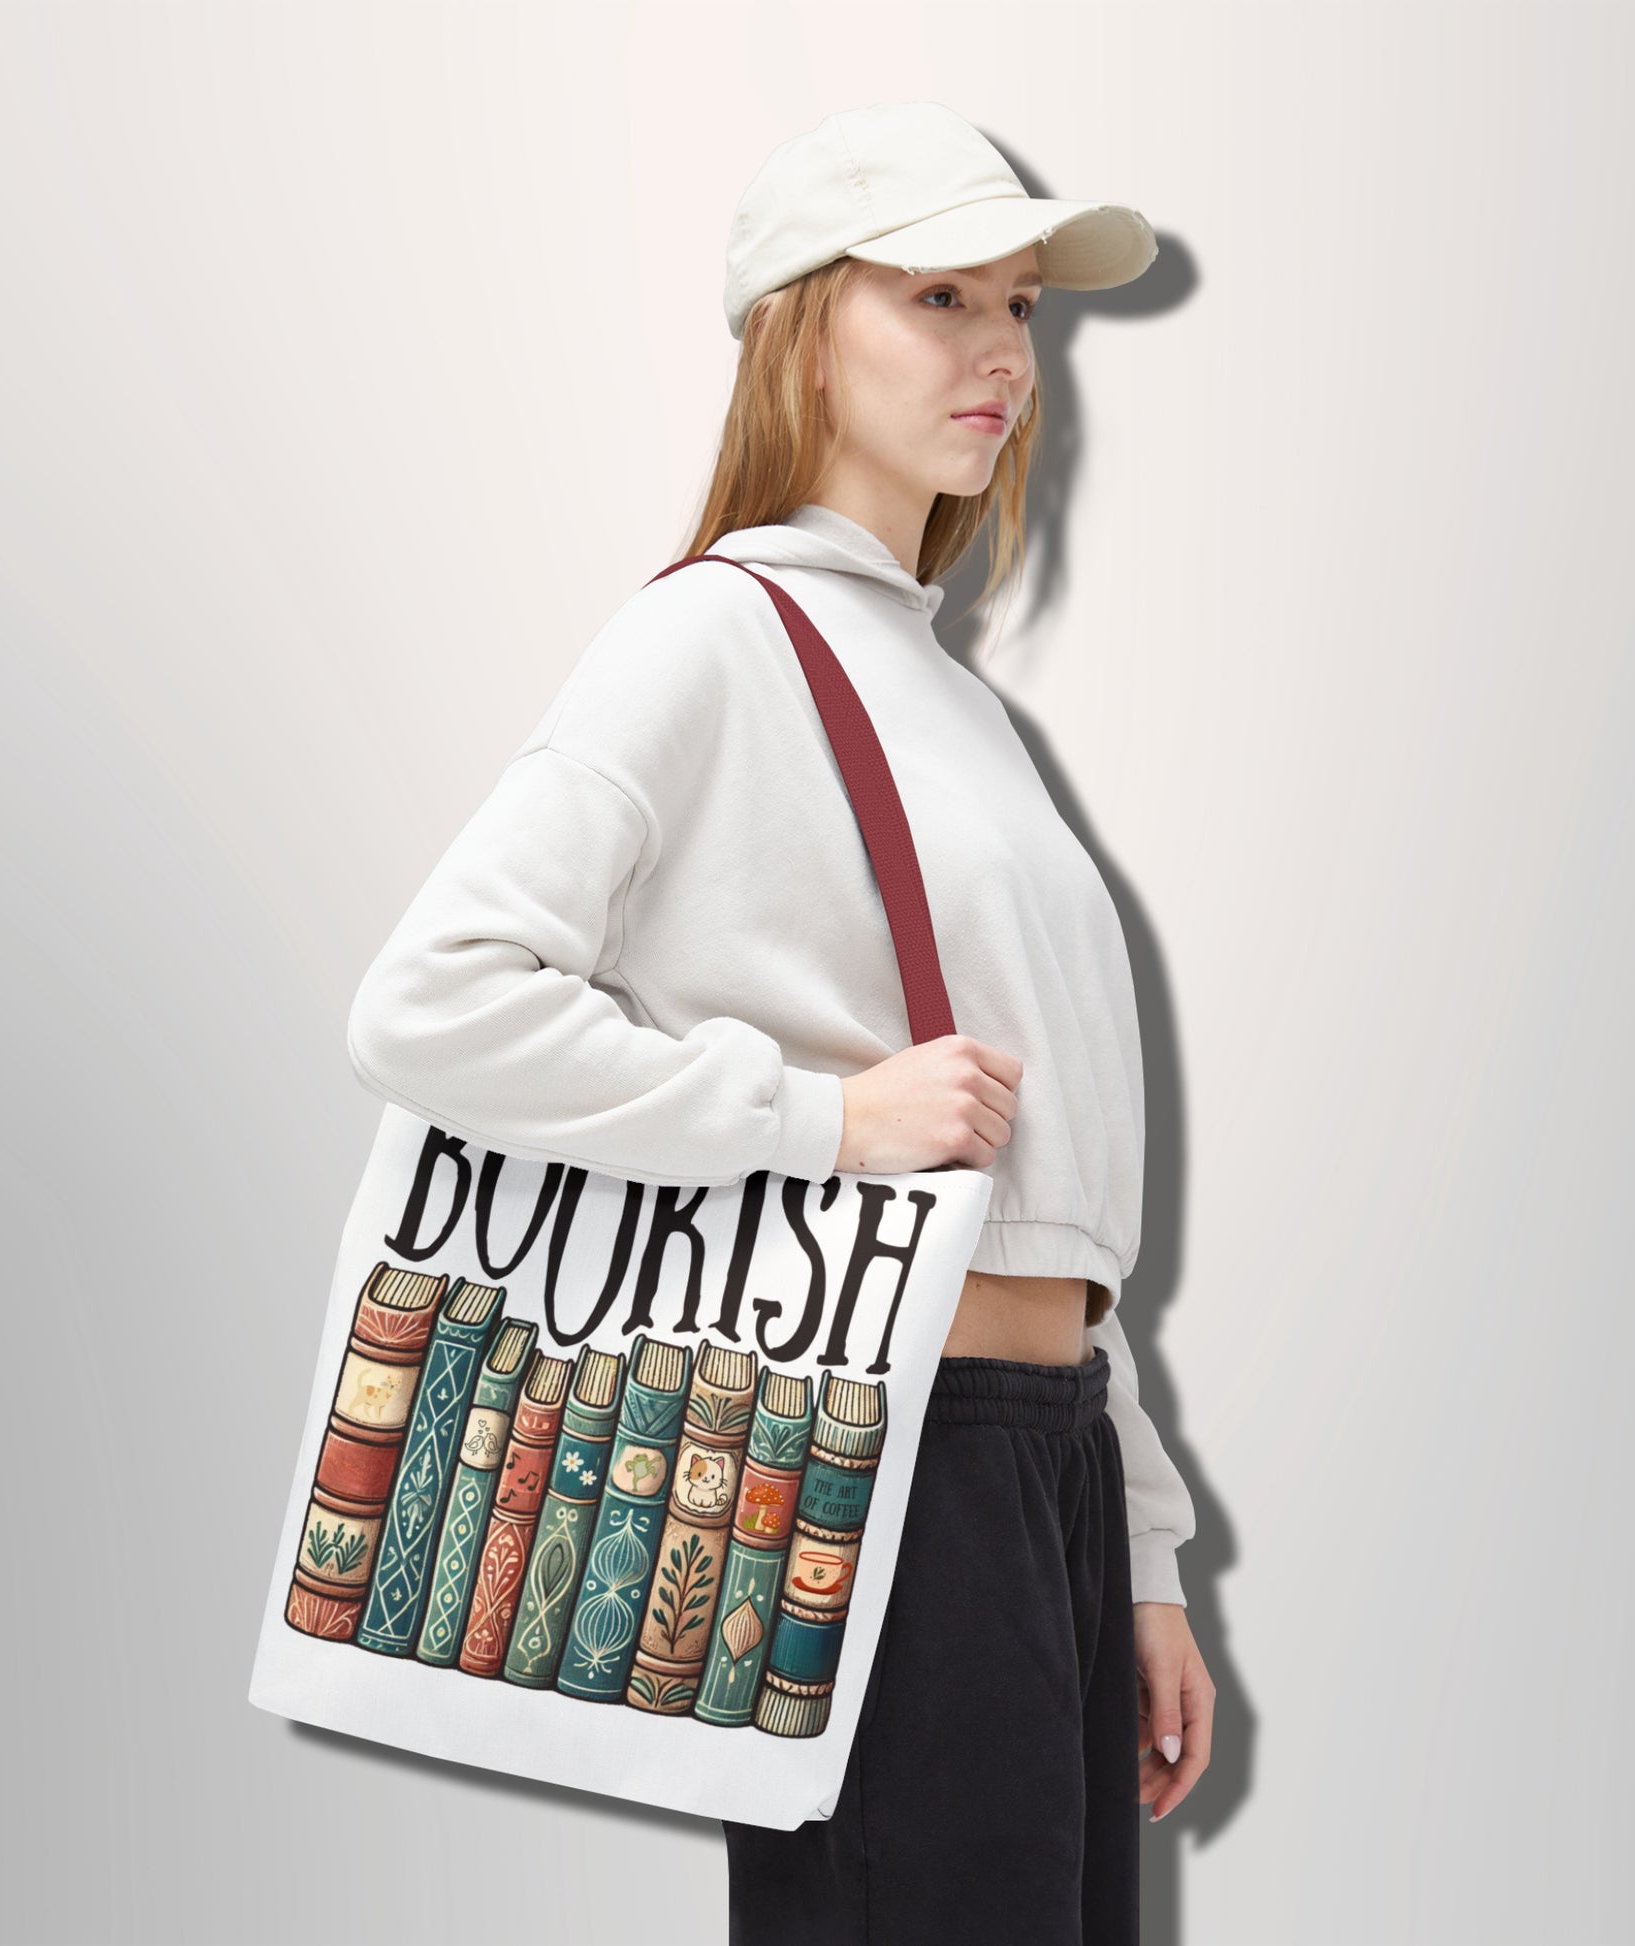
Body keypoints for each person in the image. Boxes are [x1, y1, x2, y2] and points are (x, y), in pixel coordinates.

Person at [345, 100, 1214, 1946]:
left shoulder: (965, 710)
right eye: (937, 296)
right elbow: (428, 1002)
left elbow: (1054, 1200)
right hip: (889, 1451)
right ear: (803, 330)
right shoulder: (709, 640)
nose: (998, 349)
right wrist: (819, 1118)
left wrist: (1137, 1551)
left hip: (1034, 1456)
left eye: (1017, 309)